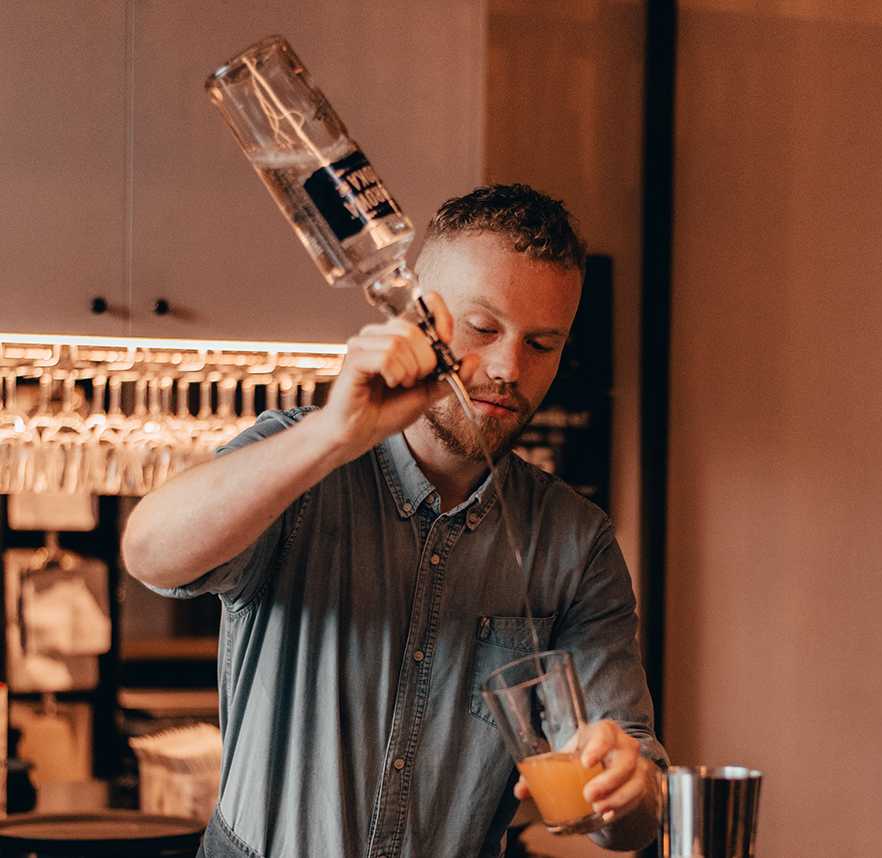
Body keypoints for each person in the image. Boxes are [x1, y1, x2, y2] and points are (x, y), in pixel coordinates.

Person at [123, 184, 668, 857]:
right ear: (420, 315)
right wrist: (330, 435)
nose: (507, 368)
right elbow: (150, 554)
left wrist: (627, 786)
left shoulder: (575, 543)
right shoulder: (303, 461)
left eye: (543, 343)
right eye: (483, 328)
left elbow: (635, 823)